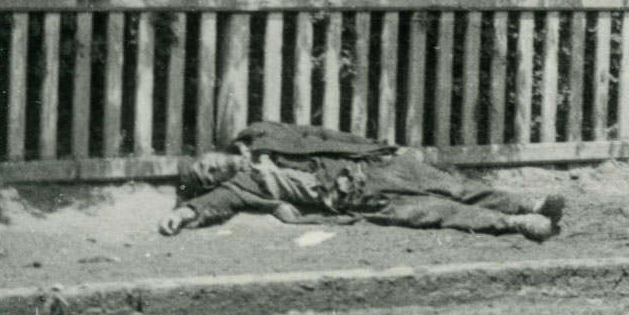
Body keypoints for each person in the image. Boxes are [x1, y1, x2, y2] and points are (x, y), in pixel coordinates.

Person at [160, 121, 565, 241]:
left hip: (372, 165)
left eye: (207, 163)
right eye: (206, 177)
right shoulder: (240, 187)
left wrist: (376, 147)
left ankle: (529, 204)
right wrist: (183, 213)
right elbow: (211, 205)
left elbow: (320, 136)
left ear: (211, 151)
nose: (212, 170)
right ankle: (518, 225)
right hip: (358, 199)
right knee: (437, 211)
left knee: (455, 186)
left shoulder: (259, 133)